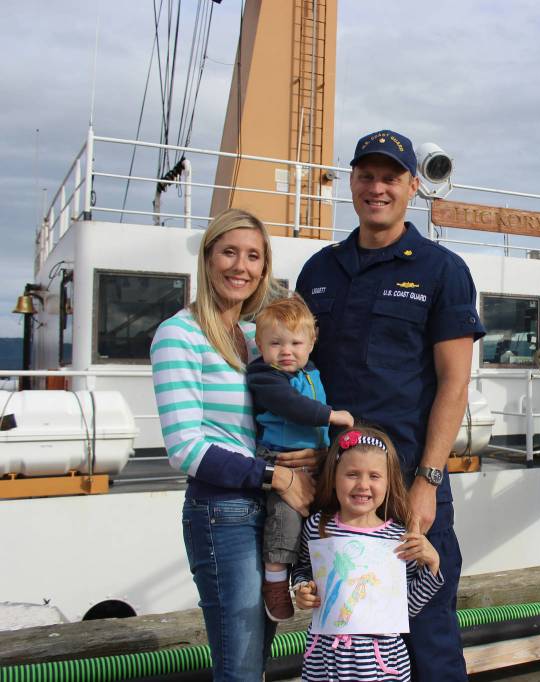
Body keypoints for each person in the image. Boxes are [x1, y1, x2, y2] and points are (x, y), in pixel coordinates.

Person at [296, 129, 485, 681]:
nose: (377, 188)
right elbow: (299, 373)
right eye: (366, 176)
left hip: (406, 483)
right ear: (352, 182)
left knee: (428, 633)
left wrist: (427, 480)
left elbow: (454, 385)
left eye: (390, 177)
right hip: (338, 489)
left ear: (411, 186)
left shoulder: (441, 271)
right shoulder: (320, 271)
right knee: (345, 638)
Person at [151, 208, 318, 681]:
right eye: (229, 252)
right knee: (240, 665)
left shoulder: (255, 335)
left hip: (269, 506)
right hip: (222, 511)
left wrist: (314, 453)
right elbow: (185, 448)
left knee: (260, 657)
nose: (240, 267)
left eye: (253, 256)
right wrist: (278, 476)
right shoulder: (178, 335)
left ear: (264, 269)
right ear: (207, 259)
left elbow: (281, 414)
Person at [293, 426, 444, 681]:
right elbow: (303, 570)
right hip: (325, 661)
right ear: (334, 476)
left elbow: (405, 607)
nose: (363, 485)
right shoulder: (317, 526)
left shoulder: (398, 537)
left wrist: (433, 564)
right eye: (352, 474)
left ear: (388, 482)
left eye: (374, 476)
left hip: (381, 662)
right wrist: (302, 589)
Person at [246, 295, 355, 621]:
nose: (286, 351)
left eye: (296, 342)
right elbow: (292, 406)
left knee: (322, 515)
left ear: (311, 343)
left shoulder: (311, 371)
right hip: (280, 458)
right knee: (285, 515)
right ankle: (276, 580)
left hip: (312, 461)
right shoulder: (265, 376)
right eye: (276, 343)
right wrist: (332, 417)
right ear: (259, 344)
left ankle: (315, 576)